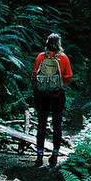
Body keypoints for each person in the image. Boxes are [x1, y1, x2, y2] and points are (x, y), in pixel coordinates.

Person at [32, 32, 72, 167]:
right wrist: (59, 84)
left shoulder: (40, 57)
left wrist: (39, 90)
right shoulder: (64, 58)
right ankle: (54, 154)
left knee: (42, 124)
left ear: (47, 43)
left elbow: (34, 77)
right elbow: (68, 77)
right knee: (57, 124)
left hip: (42, 96)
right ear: (59, 43)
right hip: (57, 95)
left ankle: (39, 154)